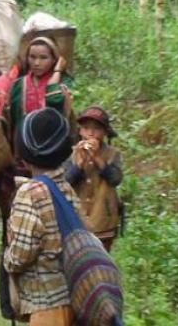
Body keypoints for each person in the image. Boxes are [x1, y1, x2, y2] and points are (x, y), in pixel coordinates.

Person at [4, 107, 79, 326]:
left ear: (24, 157)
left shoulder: (29, 193)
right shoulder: (67, 189)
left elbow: (22, 252)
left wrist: (8, 260)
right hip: (72, 296)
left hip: (45, 303)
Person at [64, 106, 123, 252]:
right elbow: (67, 181)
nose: (90, 133)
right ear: (80, 131)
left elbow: (115, 179)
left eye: (96, 128)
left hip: (103, 218)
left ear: (104, 132)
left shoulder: (112, 153)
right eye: (86, 128)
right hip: (78, 217)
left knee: (102, 257)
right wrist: (81, 163)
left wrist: (97, 158)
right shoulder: (72, 153)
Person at [8, 36, 72, 138]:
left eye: (43, 57)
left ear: (54, 60)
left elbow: (55, 101)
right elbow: (12, 120)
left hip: (54, 143)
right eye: (32, 57)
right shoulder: (19, 85)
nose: (36, 63)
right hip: (23, 144)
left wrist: (57, 71)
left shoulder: (63, 83)